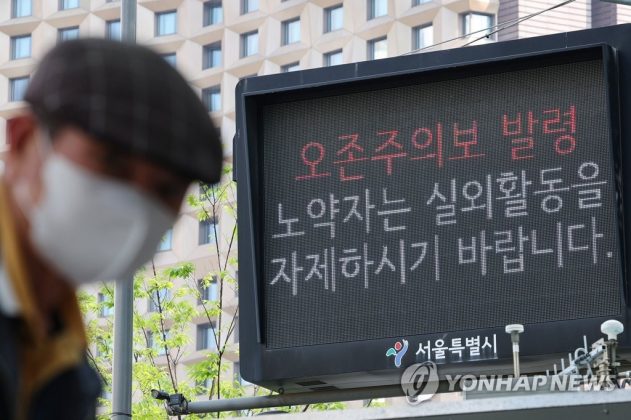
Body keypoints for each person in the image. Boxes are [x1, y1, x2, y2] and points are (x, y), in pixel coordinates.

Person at [0, 39, 223, 419]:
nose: (135, 205)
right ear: (22, 140)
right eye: (111, 163)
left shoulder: (64, 362)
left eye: (165, 190)